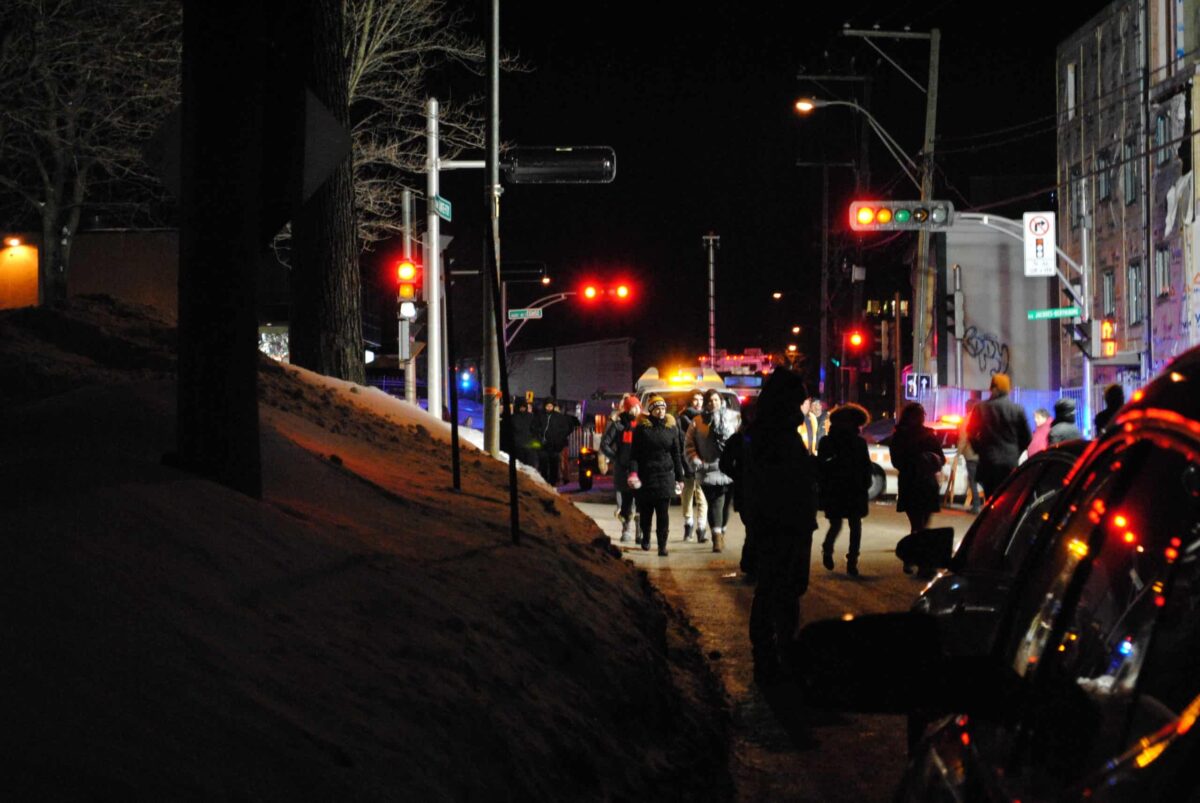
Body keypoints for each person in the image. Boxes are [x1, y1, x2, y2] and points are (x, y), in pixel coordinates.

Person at [742, 369, 819, 684]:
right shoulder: (774, 436)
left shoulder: (773, 432)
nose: (803, 404)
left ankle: (775, 655)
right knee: (779, 590)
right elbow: (778, 483)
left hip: (786, 524)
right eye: (798, 398)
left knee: (781, 590)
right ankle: (774, 656)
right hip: (781, 525)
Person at [890, 402, 945, 574]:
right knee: (919, 524)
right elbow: (940, 459)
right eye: (920, 414)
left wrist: (919, 462)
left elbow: (897, 461)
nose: (921, 418)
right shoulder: (919, 435)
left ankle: (912, 559)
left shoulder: (906, 435)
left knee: (919, 524)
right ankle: (920, 562)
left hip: (916, 482)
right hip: (920, 482)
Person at [817, 403, 872, 577]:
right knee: (845, 524)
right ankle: (837, 554)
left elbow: (865, 466)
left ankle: (847, 558)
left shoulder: (834, 441)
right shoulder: (836, 442)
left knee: (847, 524)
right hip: (844, 487)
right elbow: (822, 466)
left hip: (846, 488)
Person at [627, 395, 685, 556]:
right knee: (646, 511)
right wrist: (633, 473)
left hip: (665, 476)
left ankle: (662, 545)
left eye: (663, 408)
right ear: (651, 410)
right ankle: (645, 536)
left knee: (663, 512)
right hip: (647, 475)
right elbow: (634, 455)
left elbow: (676, 454)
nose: (661, 411)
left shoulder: (671, 428)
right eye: (657, 408)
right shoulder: (641, 429)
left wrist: (680, 478)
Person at [685, 389, 738, 552]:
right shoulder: (697, 421)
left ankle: (720, 531)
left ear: (721, 401)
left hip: (730, 469)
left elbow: (739, 440)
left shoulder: (733, 418)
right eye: (710, 401)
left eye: (716, 400)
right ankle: (716, 537)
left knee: (725, 504)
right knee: (716, 501)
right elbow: (689, 445)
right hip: (708, 469)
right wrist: (695, 460)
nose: (713, 403)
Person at [966, 373, 1031, 500]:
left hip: (988, 461)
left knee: (991, 498)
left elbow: (970, 433)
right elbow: (1027, 437)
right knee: (1008, 497)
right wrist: (1016, 451)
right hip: (1010, 461)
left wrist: (979, 449)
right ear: (1008, 389)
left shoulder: (980, 408)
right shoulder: (1017, 409)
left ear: (992, 388)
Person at [600, 394, 641, 542]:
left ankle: (640, 532)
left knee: (641, 501)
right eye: (633, 408)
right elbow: (604, 444)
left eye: (637, 407)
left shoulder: (642, 426)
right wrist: (616, 457)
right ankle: (626, 529)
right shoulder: (618, 425)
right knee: (626, 502)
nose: (636, 411)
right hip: (623, 469)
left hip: (640, 469)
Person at [676, 391, 709, 542]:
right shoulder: (682, 418)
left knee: (702, 497)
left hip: (704, 462)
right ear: (690, 401)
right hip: (688, 461)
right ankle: (688, 525)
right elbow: (679, 443)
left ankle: (701, 529)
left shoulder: (707, 417)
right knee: (688, 494)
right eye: (695, 399)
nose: (698, 402)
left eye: (701, 399)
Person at [535, 397, 580, 486]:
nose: (550, 408)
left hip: (559, 445)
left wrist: (560, 438)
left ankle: (559, 479)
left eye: (552, 406)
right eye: (548, 406)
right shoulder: (544, 417)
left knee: (559, 463)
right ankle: (551, 479)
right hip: (549, 445)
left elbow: (567, 428)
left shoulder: (560, 418)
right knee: (549, 462)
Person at [957, 398, 985, 513]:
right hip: (983, 455)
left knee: (973, 481)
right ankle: (994, 502)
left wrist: (958, 453)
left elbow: (963, 438)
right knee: (984, 480)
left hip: (971, 455)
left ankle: (977, 506)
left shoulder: (967, 420)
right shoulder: (984, 419)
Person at [508, 399, 538, 470]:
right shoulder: (513, 417)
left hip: (528, 447)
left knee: (529, 467)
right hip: (518, 447)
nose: (522, 409)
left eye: (524, 407)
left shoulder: (531, 416)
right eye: (521, 407)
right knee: (520, 467)